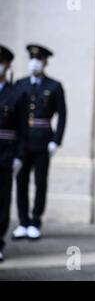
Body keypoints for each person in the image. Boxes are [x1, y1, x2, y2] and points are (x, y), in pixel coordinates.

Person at [12, 44, 66, 241]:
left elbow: (62, 115)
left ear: (45, 62)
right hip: (23, 141)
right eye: (32, 59)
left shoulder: (54, 86)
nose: (34, 63)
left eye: (38, 60)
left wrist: (56, 141)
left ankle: (35, 221)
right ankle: (23, 221)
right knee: (21, 182)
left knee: (40, 182)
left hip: (43, 140)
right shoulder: (20, 84)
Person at [0, 45, 27, 261]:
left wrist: (19, 156)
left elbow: (23, 129)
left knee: (1, 200)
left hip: (5, 155)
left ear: (8, 65)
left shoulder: (16, 93)